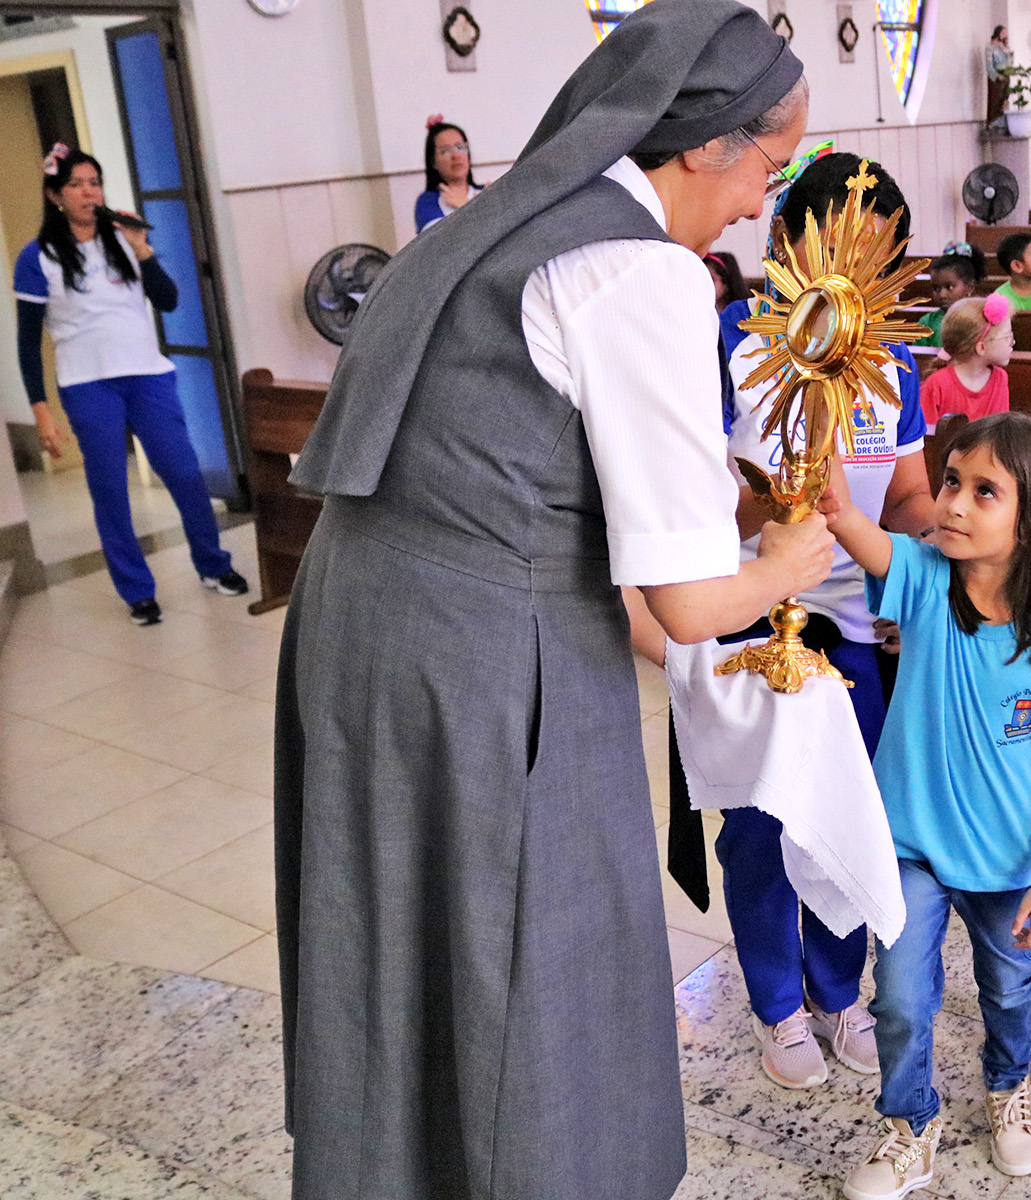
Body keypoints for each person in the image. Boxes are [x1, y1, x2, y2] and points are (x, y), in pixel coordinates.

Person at [274, 6, 824, 1196]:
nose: (755, 210)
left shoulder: (488, 227)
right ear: (705, 146)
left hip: (367, 625)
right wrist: (787, 566)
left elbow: (520, 485)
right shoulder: (638, 272)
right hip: (481, 657)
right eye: (767, 174)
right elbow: (685, 602)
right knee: (535, 946)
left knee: (400, 929)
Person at [822, 414, 1031, 1197]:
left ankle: (1008, 1089)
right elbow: (844, 515)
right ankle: (910, 1126)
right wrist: (819, 409)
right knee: (903, 1004)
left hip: (1010, 865)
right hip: (909, 848)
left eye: (985, 491)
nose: (953, 503)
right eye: (951, 481)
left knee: (1010, 994)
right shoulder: (921, 577)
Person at [717, 150, 935, 1091]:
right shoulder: (727, 343)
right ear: (787, 244)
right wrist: (773, 511)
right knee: (761, 825)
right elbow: (687, 504)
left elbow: (913, 494)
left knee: (851, 819)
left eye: (876, 249)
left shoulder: (894, 360)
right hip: (746, 623)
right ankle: (774, 1004)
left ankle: (837, 988)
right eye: (833, 243)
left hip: (859, 631)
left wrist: (920, 579)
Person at [12, 147, 246, 625]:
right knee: (110, 490)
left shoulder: (122, 238)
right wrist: (40, 408)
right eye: (76, 184)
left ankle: (213, 565)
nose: (88, 192)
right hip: (87, 384)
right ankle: (137, 591)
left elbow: (169, 300)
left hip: (148, 377)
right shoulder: (37, 257)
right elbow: (26, 340)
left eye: (94, 182)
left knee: (183, 473)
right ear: (54, 195)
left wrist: (143, 248)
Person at [919, 294, 1012, 423]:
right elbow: (927, 436)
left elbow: (999, 432)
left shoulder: (1000, 378)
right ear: (981, 348)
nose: (1012, 342)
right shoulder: (936, 384)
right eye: (1007, 336)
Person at [414, 117, 482, 233]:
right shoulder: (428, 201)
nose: (456, 156)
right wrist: (470, 209)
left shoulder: (486, 192)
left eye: (460, 148)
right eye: (445, 151)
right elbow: (442, 242)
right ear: (433, 162)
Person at [917, 241, 985, 345]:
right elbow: (919, 358)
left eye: (949, 287)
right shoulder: (926, 323)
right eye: (936, 288)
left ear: (970, 288)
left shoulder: (982, 320)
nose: (942, 295)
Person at [986, 26, 1013, 129]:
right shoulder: (990, 47)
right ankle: (993, 121)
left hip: (1006, 75)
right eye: (1002, 33)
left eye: (1005, 33)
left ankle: (1002, 120)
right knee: (995, 100)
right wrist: (997, 76)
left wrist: (1007, 49)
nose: (1004, 35)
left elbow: (1009, 62)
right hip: (996, 78)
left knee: (1004, 99)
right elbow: (989, 65)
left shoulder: (1004, 47)